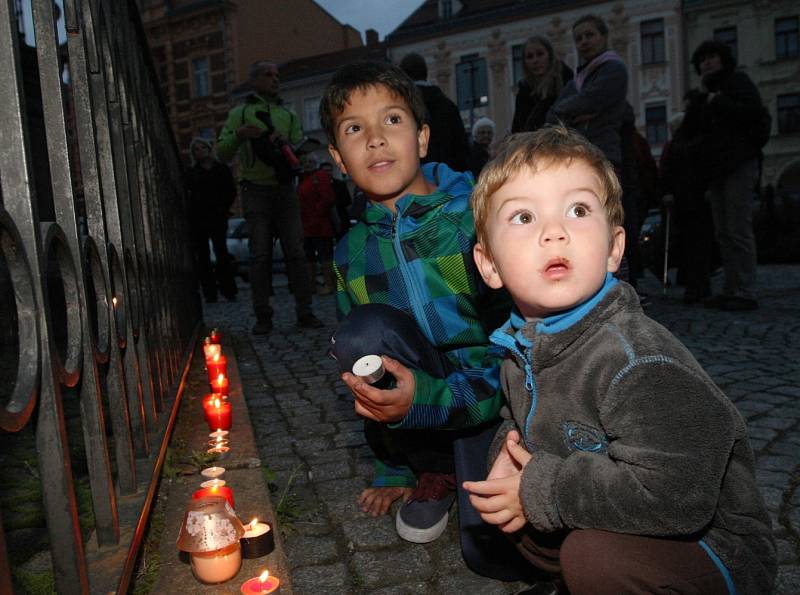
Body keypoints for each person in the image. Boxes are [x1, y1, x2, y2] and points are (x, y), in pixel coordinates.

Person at [464, 126, 776, 594]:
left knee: (590, 555)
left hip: (715, 548)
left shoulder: (637, 361)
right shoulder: (523, 344)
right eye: (524, 217)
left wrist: (541, 490)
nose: (555, 232)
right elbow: (517, 416)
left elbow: (677, 497)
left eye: (578, 210)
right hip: (619, 511)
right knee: (515, 516)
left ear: (613, 248)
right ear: (489, 265)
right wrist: (506, 456)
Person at [319, 61, 510, 551]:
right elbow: (366, 370)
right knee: (358, 336)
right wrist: (391, 466)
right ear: (339, 157)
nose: (376, 140)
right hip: (420, 406)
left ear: (422, 138)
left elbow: (521, 336)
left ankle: (485, 462)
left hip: (498, 398)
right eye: (354, 129)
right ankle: (431, 469)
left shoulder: (476, 220)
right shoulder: (350, 255)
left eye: (392, 120)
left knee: (492, 552)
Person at [217, 60, 323, 334]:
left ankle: (305, 311)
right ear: (255, 80)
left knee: (296, 252)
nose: (275, 80)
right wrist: (239, 135)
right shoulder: (240, 114)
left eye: (276, 75)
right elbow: (222, 153)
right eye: (268, 75)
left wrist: (293, 148)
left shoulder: (286, 115)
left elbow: (300, 148)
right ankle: (263, 316)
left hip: (285, 188)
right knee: (259, 255)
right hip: (255, 188)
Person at [688, 40, 765, 311]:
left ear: (723, 60)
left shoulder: (736, 83)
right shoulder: (705, 93)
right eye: (703, 59)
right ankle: (731, 288)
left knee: (738, 229)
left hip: (738, 165)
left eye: (713, 57)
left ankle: (745, 290)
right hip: (717, 170)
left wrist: (717, 101)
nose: (707, 63)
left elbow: (756, 116)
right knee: (723, 232)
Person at [546, 15, 627, 170]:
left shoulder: (614, 69)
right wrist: (574, 113)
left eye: (589, 35)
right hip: (576, 156)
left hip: (603, 156)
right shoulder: (576, 81)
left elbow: (589, 101)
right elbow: (551, 115)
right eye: (578, 39)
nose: (584, 41)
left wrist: (568, 116)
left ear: (604, 37)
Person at [185, 137, 238, 303]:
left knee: (222, 253)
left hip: (217, 215)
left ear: (209, 149)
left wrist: (223, 208)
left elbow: (230, 190)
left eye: (202, 147)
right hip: (199, 217)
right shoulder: (192, 172)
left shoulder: (221, 169)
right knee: (203, 256)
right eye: (196, 149)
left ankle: (228, 290)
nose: (200, 151)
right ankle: (210, 292)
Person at [398, 52, 471, 172]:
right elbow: (462, 150)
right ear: (426, 73)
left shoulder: (401, 106)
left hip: (413, 177)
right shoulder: (447, 105)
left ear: (403, 76)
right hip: (447, 179)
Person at [511, 36, 573, 134]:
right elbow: (518, 127)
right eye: (530, 57)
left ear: (550, 55)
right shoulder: (524, 90)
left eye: (540, 54)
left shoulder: (565, 80)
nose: (535, 60)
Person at [297, 154, 336, 295]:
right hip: (306, 225)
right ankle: (311, 285)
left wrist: (317, 211)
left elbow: (328, 198)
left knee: (325, 255)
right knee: (309, 256)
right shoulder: (302, 179)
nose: (307, 164)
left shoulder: (320, 176)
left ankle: (329, 283)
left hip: (320, 224)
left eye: (310, 161)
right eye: (304, 162)